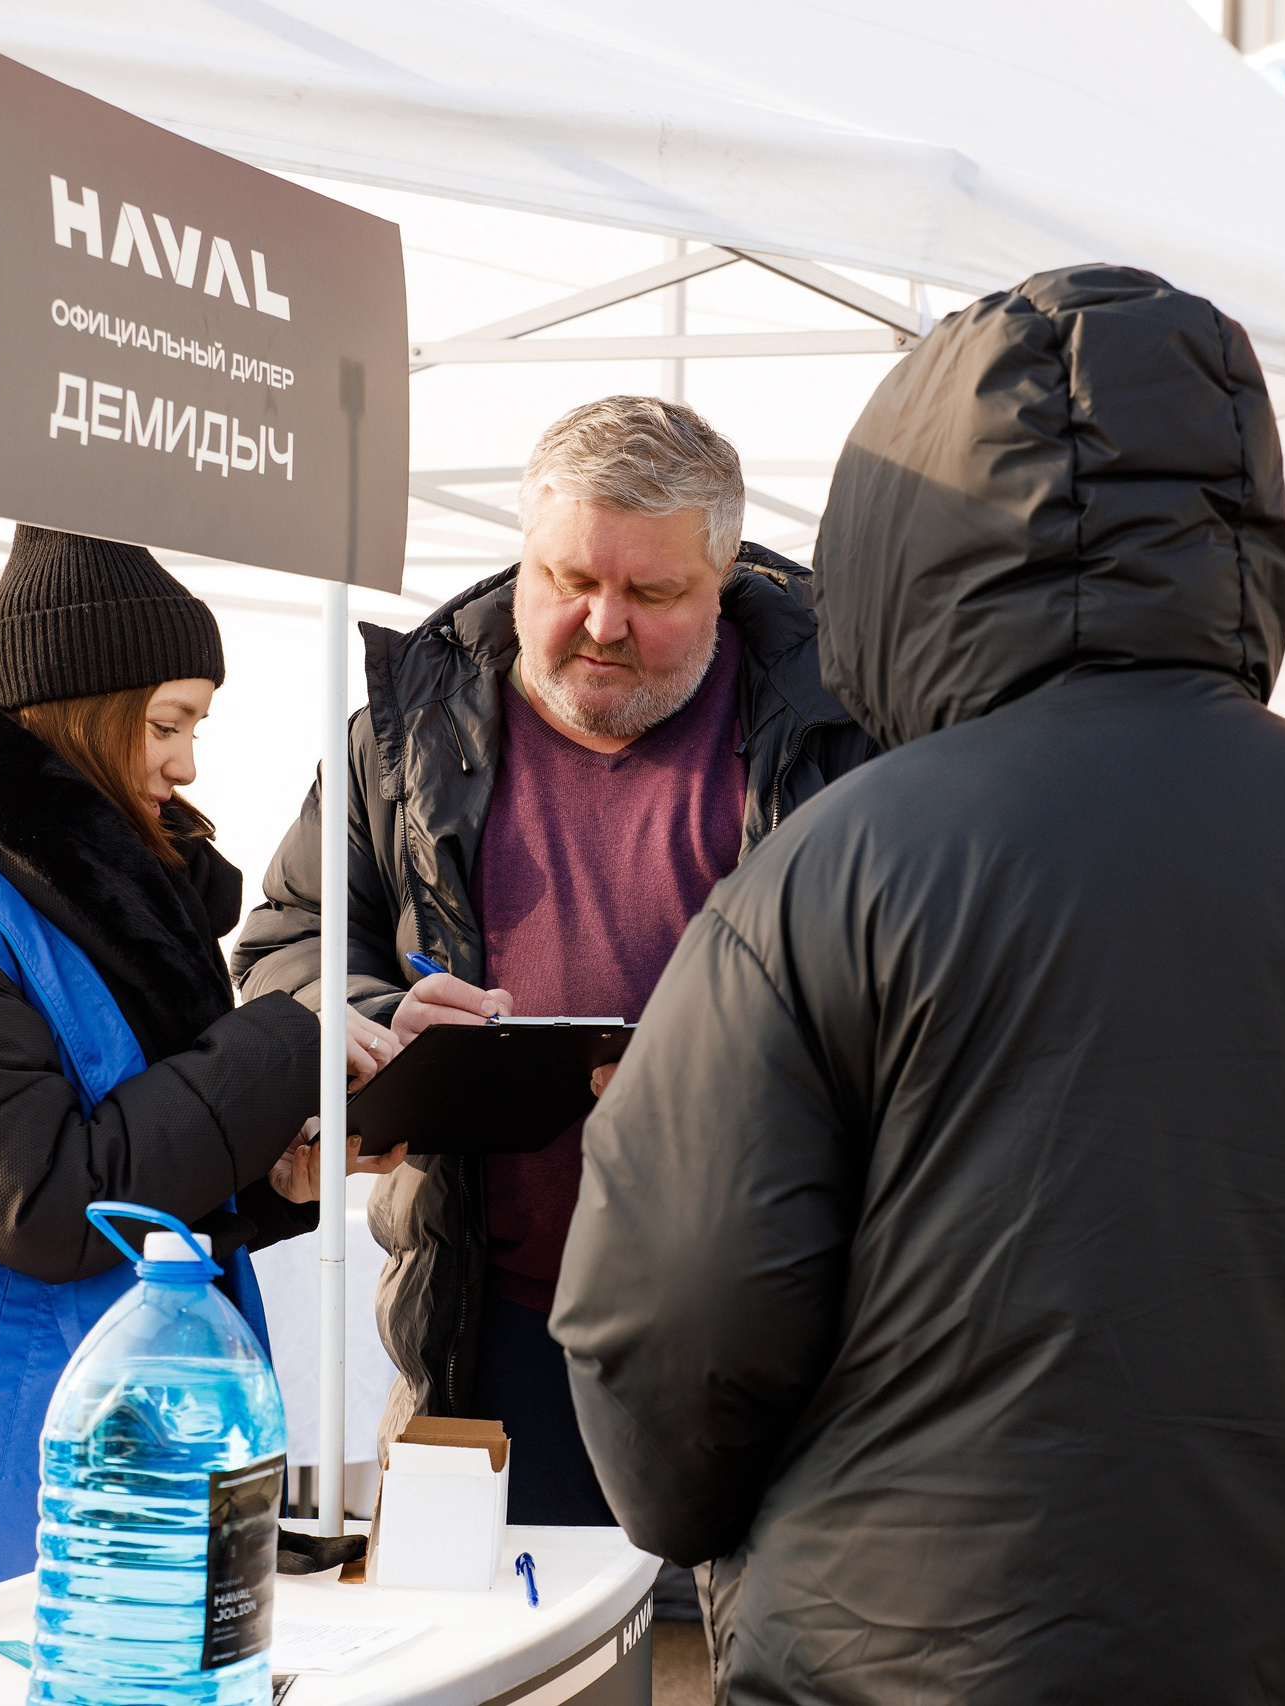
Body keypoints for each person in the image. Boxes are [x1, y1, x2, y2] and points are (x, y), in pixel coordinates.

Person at [550, 267, 1285, 1702]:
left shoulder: (829, 875)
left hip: (910, 1653)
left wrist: (712, 1524)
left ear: (900, 542)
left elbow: (670, 1328)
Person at [232, 397, 876, 1525]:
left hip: (784, 1336)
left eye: (653, 593)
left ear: (723, 579)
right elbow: (291, 937)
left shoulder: (845, 734)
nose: (601, 622)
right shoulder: (404, 735)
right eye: (567, 578)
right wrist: (371, 1014)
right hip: (489, 1326)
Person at [0, 526, 400, 1642]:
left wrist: (274, 1180)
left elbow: (129, 1166)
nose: (188, 763)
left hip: (101, 1487)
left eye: (196, 726)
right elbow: (42, 1199)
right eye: (167, 723)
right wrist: (282, 1040)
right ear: (77, 716)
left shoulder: (76, 911)